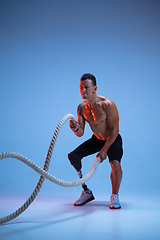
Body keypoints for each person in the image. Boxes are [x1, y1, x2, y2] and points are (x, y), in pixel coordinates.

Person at [68, 73, 123, 209]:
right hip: (96, 140)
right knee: (73, 156)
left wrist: (104, 150)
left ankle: (115, 196)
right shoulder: (81, 108)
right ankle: (86, 191)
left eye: (86, 87)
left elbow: (115, 129)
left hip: (112, 139)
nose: (83, 91)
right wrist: (75, 128)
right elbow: (80, 134)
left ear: (95, 88)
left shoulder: (107, 104)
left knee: (115, 164)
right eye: (81, 88)